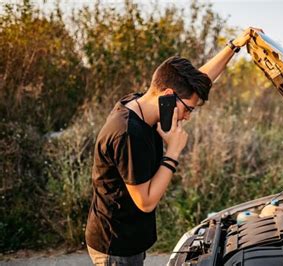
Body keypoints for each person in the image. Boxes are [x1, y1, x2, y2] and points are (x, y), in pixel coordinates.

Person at [85, 27, 262, 265]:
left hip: (130, 239)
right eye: (188, 109)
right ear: (167, 95)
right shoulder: (128, 134)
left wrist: (234, 46)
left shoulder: (140, 102)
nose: (187, 116)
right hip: (116, 247)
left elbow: (200, 81)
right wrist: (173, 151)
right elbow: (146, 202)